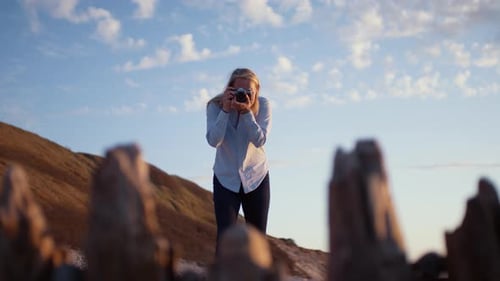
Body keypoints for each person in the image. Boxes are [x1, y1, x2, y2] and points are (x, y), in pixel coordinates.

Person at [206, 68, 272, 253]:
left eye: (249, 92)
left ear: (257, 91)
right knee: (225, 238)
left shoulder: (263, 105)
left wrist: (246, 113)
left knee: (257, 240)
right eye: (239, 91)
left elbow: (260, 139)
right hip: (225, 178)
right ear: (230, 89)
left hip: (256, 177)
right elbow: (213, 140)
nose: (244, 95)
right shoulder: (215, 106)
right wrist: (225, 110)